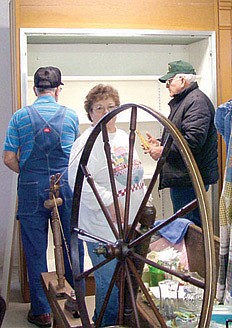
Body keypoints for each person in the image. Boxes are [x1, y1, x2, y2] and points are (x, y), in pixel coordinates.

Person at [3, 66, 84, 328]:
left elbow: (8, 158)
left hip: (31, 186)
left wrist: (29, 173)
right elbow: (76, 157)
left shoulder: (19, 117)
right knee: (71, 244)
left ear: (36, 89)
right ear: (58, 89)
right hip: (65, 185)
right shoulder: (71, 116)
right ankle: (76, 301)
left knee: (36, 249)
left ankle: (42, 311)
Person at [68, 84, 146, 326]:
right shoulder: (86, 143)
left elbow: (134, 174)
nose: (106, 112)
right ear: (90, 113)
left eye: (111, 107)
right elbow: (78, 182)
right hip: (102, 229)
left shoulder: (123, 136)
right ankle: (103, 323)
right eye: (99, 108)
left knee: (127, 284)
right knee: (109, 285)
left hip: (129, 225)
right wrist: (111, 203)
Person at [146, 60, 219, 227]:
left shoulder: (196, 102)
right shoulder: (188, 100)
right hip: (186, 178)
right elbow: (183, 137)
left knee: (189, 228)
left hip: (189, 179)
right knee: (187, 226)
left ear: (183, 80)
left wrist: (163, 150)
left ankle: (195, 254)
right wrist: (160, 143)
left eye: (170, 81)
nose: (167, 85)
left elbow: (192, 142)